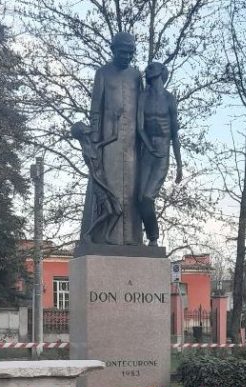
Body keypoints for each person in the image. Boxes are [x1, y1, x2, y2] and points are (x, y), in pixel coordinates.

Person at [82, 31, 142, 245]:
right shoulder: (103, 73)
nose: (126, 56)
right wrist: (96, 139)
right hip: (109, 142)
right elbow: (95, 109)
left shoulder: (136, 75)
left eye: (130, 53)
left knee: (134, 192)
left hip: (133, 143)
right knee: (112, 191)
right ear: (114, 50)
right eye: (123, 52)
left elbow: (142, 108)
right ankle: (106, 238)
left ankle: (133, 238)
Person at [134, 61, 181, 247]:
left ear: (162, 72)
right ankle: (144, 238)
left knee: (147, 197)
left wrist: (179, 165)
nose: (148, 69)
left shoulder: (169, 99)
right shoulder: (143, 97)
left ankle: (153, 238)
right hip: (148, 151)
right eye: (148, 68)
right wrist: (147, 145)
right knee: (139, 198)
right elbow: (139, 127)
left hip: (162, 152)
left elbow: (175, 135)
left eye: (153, 67)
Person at [71, 120, 122, 244]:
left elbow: (114, 137)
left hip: (103, 181)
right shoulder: (86, 152)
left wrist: (116, 120)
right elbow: (94, 175)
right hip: (98, 184)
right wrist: (108, 190)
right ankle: (88, 234)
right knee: (110, 211)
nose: (87, 127)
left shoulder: (96, 146)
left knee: (118, 211)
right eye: (84, 126)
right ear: (82, 133)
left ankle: (107, 236)